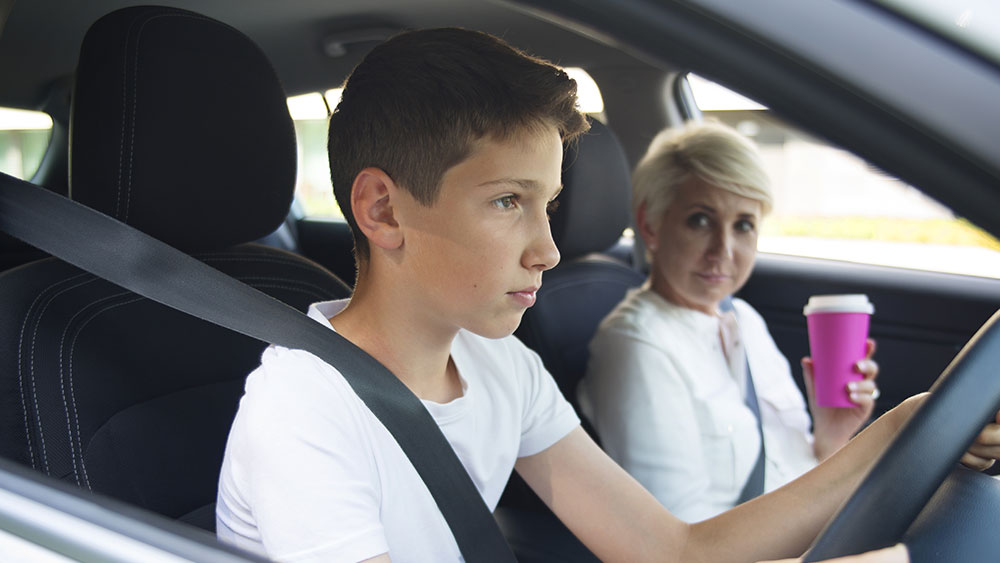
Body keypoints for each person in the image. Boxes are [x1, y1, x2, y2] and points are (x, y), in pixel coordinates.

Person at [214, 28, 999, 563]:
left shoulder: (502, 369)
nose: (549, 248)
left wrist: (901, 429)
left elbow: (674, 550)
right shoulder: (303, 407)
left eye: (547, 204)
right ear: (384, 209)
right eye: (506, 202)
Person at [577, 121, 881, 522]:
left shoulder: (743, 319)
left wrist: (832, 435)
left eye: (743, 225)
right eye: (701, 221)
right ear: (651, 225)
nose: (724, 250)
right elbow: (681, 536)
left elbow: (791, 470)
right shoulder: (639, 345)